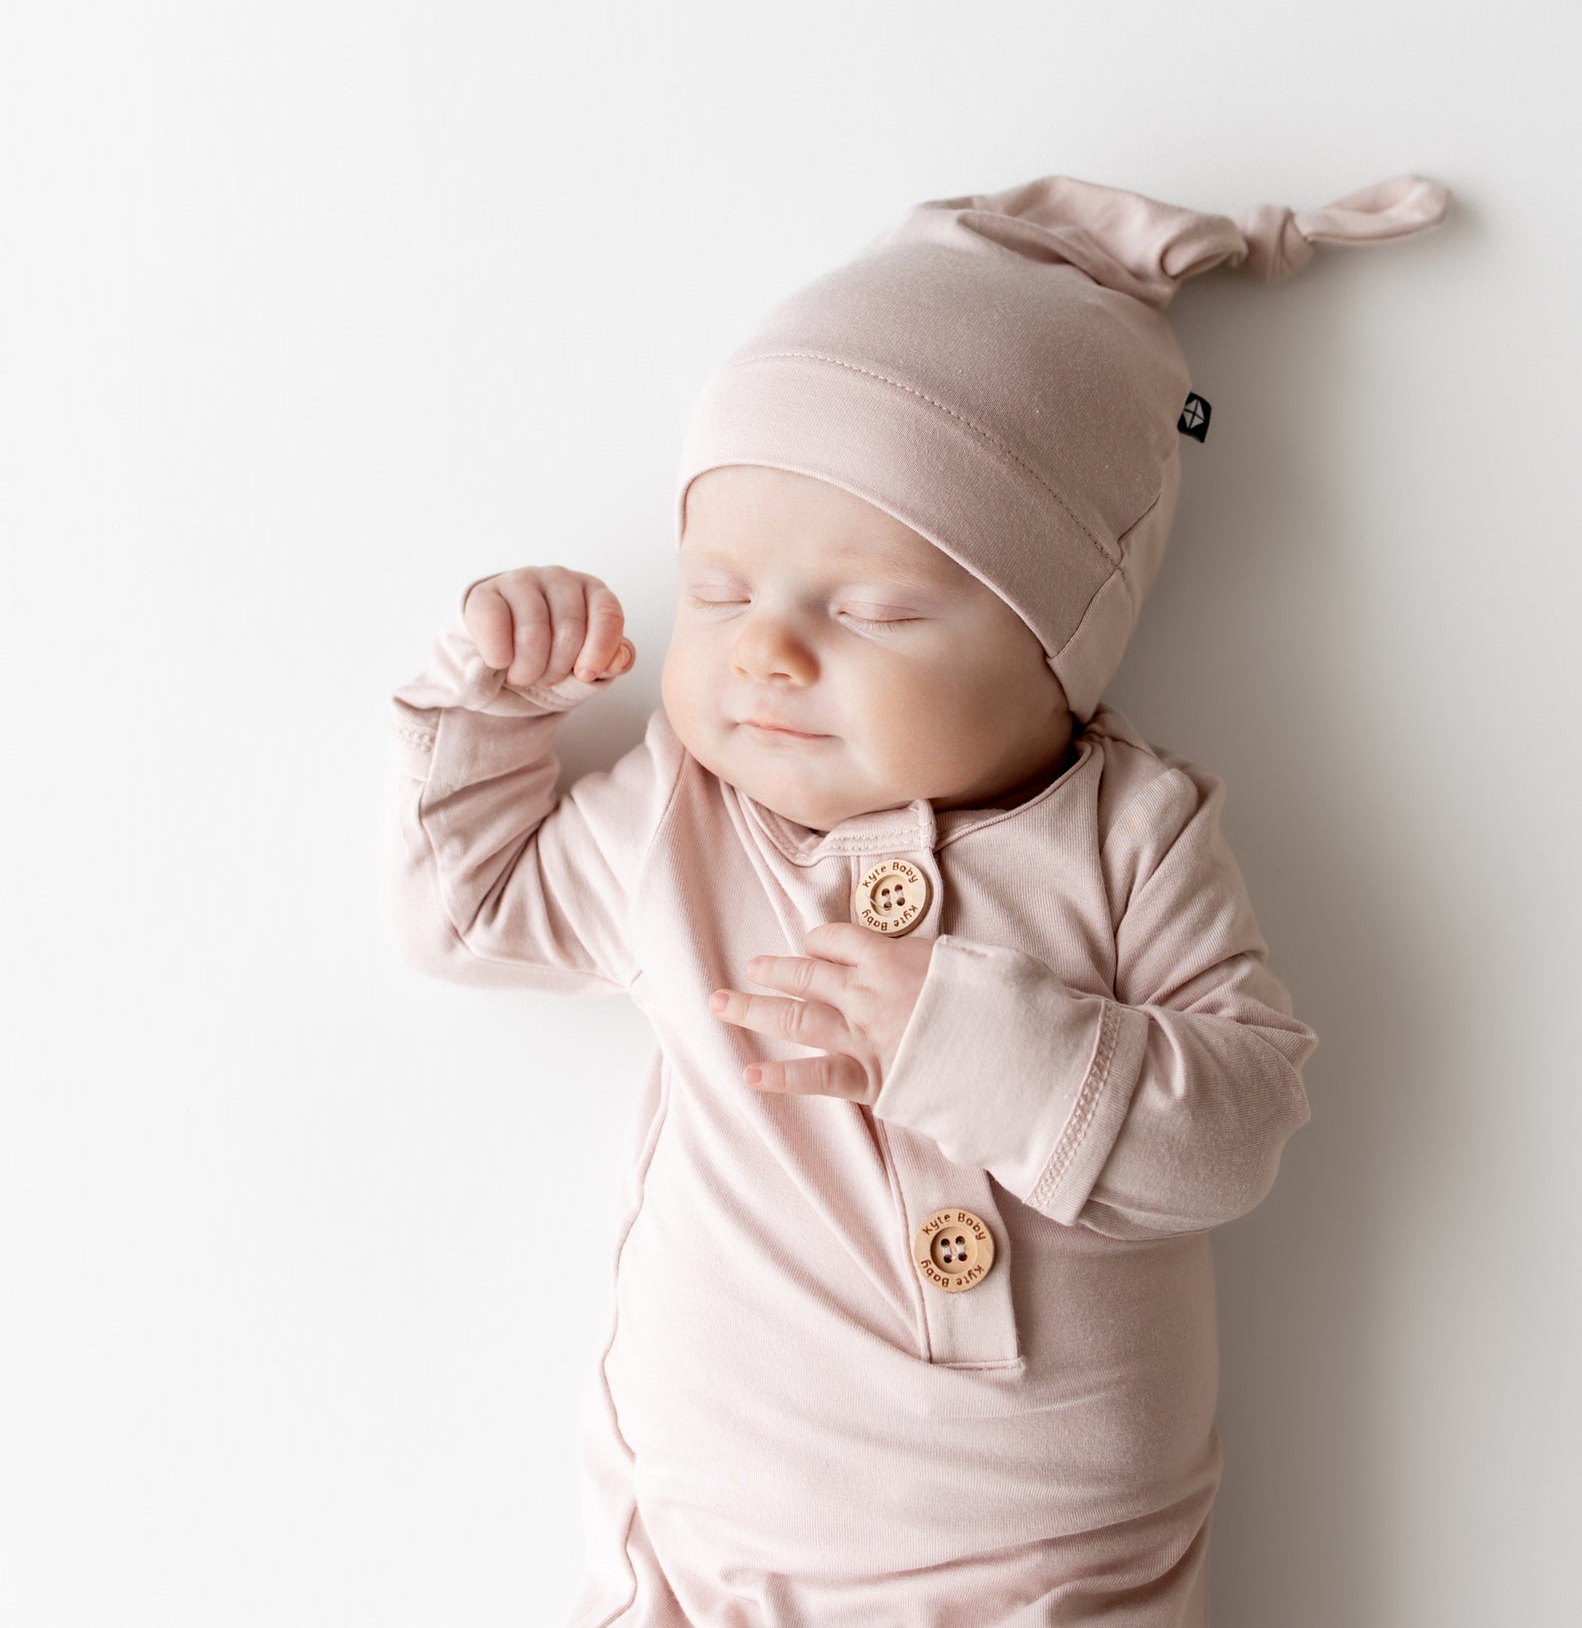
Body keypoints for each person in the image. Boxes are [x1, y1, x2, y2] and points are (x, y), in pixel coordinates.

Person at [384, 170, 1451, 1626]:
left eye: (871, 609)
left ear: (1055, 638)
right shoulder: (682, 819)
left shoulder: (1130, 830)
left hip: (1068, 1564)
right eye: (717, 593)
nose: (765, 655)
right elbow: (471, 915)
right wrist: (486, 712)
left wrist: (978, 1040)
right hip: (721, 1546)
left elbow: (1239, 1133)